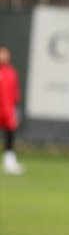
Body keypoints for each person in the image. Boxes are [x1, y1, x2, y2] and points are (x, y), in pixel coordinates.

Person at [0, 46, 24, 175]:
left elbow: (14, 92)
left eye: (5, 54)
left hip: (7, 110)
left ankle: (9, 162)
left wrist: (15, 108)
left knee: (9, 135)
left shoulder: (11, 72)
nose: (3, 56)